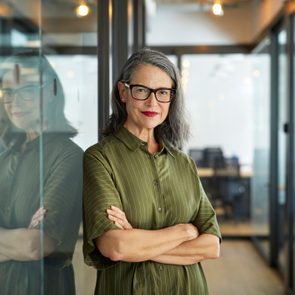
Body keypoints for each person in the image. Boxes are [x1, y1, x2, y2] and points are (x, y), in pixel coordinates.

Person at [83, 48, 221, 294]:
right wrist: (185, 231)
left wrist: (139, 243)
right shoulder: (99, 158)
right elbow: (116, 247)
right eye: (142, 90)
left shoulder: (184, 163)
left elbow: (210, 246)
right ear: (123, 92)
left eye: (163, 93)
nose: (152, 102)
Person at [0, 52, 83, 295]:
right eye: (8, 92)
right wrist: (16, 240)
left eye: (25, 90)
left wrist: (24, 241)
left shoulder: (69, 156)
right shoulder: (5, 159)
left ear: (49, 92)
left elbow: (36, 245)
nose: (13, 103)